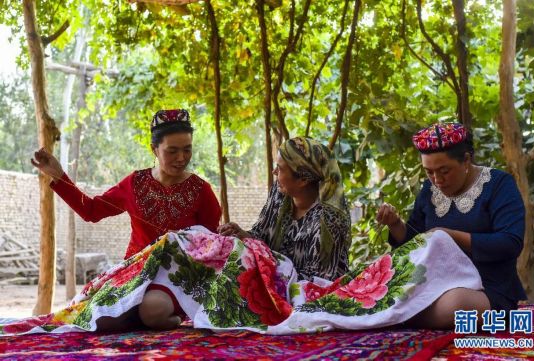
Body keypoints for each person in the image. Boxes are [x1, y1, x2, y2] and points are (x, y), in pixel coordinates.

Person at [31, 108, 222, 330]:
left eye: (187, 150)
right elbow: (91, 210)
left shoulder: (201, 190)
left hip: (176, 277)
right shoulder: (135, 183)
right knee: (99, 319)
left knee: (153, 310)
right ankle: (136, 314)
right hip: (135, 273)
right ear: (154, 149)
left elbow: (210, 245)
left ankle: (173, 317)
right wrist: (58, 175)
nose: (181, 158)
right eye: (172, 151)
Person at [376, 122, 526, 329]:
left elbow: (510, 243)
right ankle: (399, 313)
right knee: (381, 287)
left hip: (487, 290)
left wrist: (449, 235)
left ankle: (394, 315)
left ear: (466, 160)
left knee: (455, 306)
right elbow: (416, 242)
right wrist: (395, 224)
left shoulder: (499, 184)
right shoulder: (429, 190)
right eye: (429, 172)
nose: (437, 180)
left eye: (444, 171)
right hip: (433, 285)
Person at [218, 136, 351, 281]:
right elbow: (262, 236)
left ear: (303, 180)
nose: (274, 172)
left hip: (310, 296)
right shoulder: (280, 195)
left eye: (280, 169)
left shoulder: (329, 222)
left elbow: (316, 283)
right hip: (275, 283)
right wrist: (243, 235)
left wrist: (266, 267)